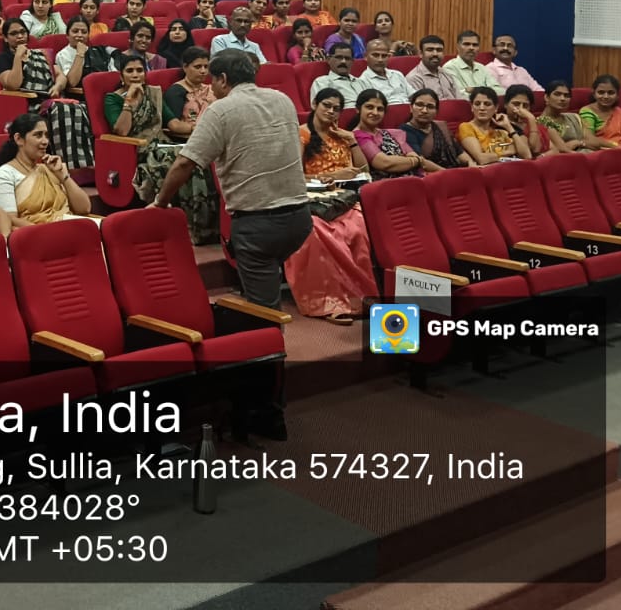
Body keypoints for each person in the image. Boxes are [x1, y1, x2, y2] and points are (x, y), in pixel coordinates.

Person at [152, 51, 314, 413]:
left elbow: (185, 163)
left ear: (223, 79)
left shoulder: (221, 110)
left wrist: (160, 203)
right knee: (264, 296)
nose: (210, 86)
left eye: (213, 79)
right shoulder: (283, 99)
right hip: (299, 218)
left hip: (259, 223)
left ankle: (266, 406)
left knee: (264, 316)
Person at [108, 53, 217, 242]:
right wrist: (129, 102)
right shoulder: (113, 99)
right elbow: (122, 131)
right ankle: (184, 225)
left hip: (162, 142)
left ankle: (202, 226)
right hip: (138, 150)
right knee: (181, 158)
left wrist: (199, 129)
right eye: (130, 71)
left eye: (140, 70)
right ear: (121, 75)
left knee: (196, 156)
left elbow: (173, 124)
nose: (135, 75)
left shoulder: (154, 94)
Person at [289, 90, 377, 324]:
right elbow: (295, 175)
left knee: (358, 229)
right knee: (317, 233)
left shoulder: (342, 135)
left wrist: (352, 140)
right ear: (314, 105)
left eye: (336, 108)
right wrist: (335, 175)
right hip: (314, 201)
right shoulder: (302, 134)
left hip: (344, 199)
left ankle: (359, 297)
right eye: (326, 106)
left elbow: (364, 170)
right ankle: (328, 302)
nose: (331, 111)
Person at [0, 18, 95, 170]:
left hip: (51, 98)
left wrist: (57, 86)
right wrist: (18, 58)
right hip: (30, 103)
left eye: (22, 32)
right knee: (61, 109)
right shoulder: (3, 58)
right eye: (14, 34)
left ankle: (83, 164)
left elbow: (61, 76)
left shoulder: (40, 54)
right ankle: (63, 164)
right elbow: (13, 84)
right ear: (6, 38)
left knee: (80, 108)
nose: (20, 36)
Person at [0, 112, 91, 225]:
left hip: (69, 224)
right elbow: (10, 222)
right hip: (38, 232)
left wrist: (63, 177)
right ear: (19, 139)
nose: (45, 141)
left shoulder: (49, 169)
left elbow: (84, 209)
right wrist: (48, 231)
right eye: (38, 135)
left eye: (46, 135)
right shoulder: (3, 175)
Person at [352, 90, 430, 179]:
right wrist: (415, 161)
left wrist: (415, 160)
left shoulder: (390, 133)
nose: (375, 112)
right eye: (370, 107)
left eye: (380, 109)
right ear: (358, 109)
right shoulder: (357, 136)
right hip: (387, 184)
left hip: (414, 178)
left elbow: (414, 156)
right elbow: (385, 163)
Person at [402, 90, 473, 170]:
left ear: (436, 112)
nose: (424, 110)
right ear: (411, 108)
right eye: (419, 105)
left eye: (430, 107)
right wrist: (447, 173)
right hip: (430, 174)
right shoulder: (405, 131)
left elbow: (459, 152)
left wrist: (470, 163)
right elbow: (420, 161)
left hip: (454, 170)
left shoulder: (441, 126)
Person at [457, 87, 530, 164]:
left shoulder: (500, 128)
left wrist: (509, 127)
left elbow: (527, 155)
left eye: (487, 104)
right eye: (477, 104)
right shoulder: (466, 127)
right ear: (472, 107)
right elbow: (481, 159)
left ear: (496, 108)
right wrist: (510, 151)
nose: (482, 108)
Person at [163, 47, 216, 140]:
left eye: (206, 66)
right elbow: (173, 126)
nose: (203, 71)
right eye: (198, 67)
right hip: (188, 139)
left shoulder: (212, 89)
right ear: (185, 67)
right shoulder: (175, 92)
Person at [55, 18, 113, 93]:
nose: (80, 35)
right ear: (67, 35)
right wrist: (80, 54)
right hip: (79, 96)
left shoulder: (98, 51)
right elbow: (72, 82)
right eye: (75, 31)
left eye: (84, 32)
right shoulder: (63, 54)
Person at [406, 35, 465, 101]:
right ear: (421, 53)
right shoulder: (414, 78)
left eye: (439, 50)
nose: (435, 54)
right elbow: (421, 105)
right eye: (430, 50)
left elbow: (459, 100)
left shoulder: (446, 73)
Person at [539, 80, 591, 153]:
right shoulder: (541, 122)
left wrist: (579, 142)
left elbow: (591, 140)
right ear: (546, 97)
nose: (562, 98)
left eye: (566, 96)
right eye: (557, 94)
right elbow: (560, 150)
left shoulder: (574, 117)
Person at [357, 39, 415, 105]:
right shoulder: (362, 81)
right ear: (365, 56)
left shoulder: (397, 74)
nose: (380, 60)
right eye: (375, 55)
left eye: (384, 56)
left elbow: (413, 96)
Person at [309, 41, 366, 105]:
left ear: (352, 62)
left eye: (347, 58)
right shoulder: (322, 82)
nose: (343, 61)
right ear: (328, 59)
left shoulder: (361, 82)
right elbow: (322, 107)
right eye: (339, 57)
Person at [504, 85, 549, 159]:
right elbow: (534, 150)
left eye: (525, 105)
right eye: (516, 104)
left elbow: (553, 149)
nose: (521, 109)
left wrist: (541, 157)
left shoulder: (532, 123)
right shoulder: (502, 123)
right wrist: (531, 118)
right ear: (506, 104)